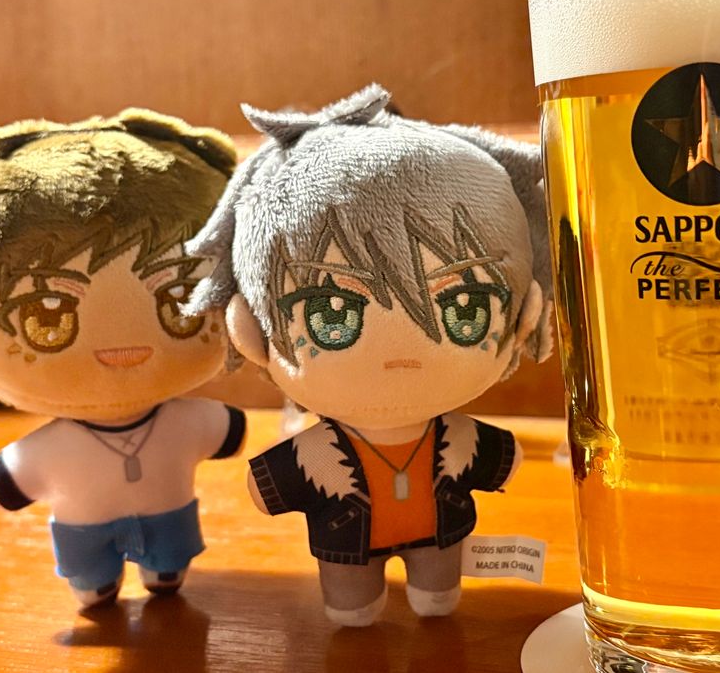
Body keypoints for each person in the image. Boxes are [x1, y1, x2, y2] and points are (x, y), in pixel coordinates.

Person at [186, 85, 552, 625]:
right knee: (353, 611)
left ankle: (426, 593)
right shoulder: (318, 457)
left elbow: (503, 458)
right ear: (251, 332)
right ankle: (359, 602)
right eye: (330, 315)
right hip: (348, 553)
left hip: (441, 543)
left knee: (435, 599)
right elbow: (268, 487)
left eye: (465, 307)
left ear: (524, 316)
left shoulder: (456, 439)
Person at [0, 110, 246, 608]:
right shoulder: (62, 446)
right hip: (85, 532)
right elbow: (3, 484)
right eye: (47, 314)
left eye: (178, 297)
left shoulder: (179, 423)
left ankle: (163, 570)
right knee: (92, 575)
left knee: (169, 558)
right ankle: (98, 581)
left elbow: (231, 434)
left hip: (168, 520)